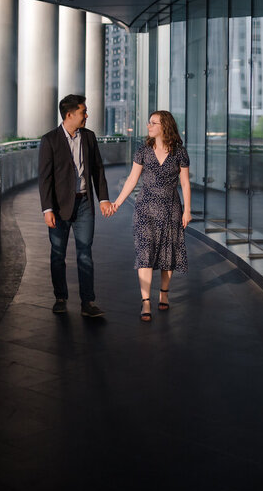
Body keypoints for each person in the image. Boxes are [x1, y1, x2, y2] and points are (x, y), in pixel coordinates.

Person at [38, 94, 114, 318]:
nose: (87, 115)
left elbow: (98, 170)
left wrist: (103, 199)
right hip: (59, 208)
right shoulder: (49, 140)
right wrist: (47, 209)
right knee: (57, 254)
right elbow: (45, 178)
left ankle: (87, 302)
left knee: (85, 253)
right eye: (83, 112)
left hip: (84, 205)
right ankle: (60, 297)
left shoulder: (89, 137)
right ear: (69, 115)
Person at [111, 110, 191, 321]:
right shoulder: (143, 151)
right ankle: (145, 301)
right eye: (149, 122)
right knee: (144, 253)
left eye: (153, 123)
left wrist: (188, 210)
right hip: (145, 208)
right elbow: (131, 180)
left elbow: (185, 183)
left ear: (164, 126)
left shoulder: (179, 152)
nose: (149, 126)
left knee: (167, 254)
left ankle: (163, 293)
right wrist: (117, 203)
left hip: (171, 208)